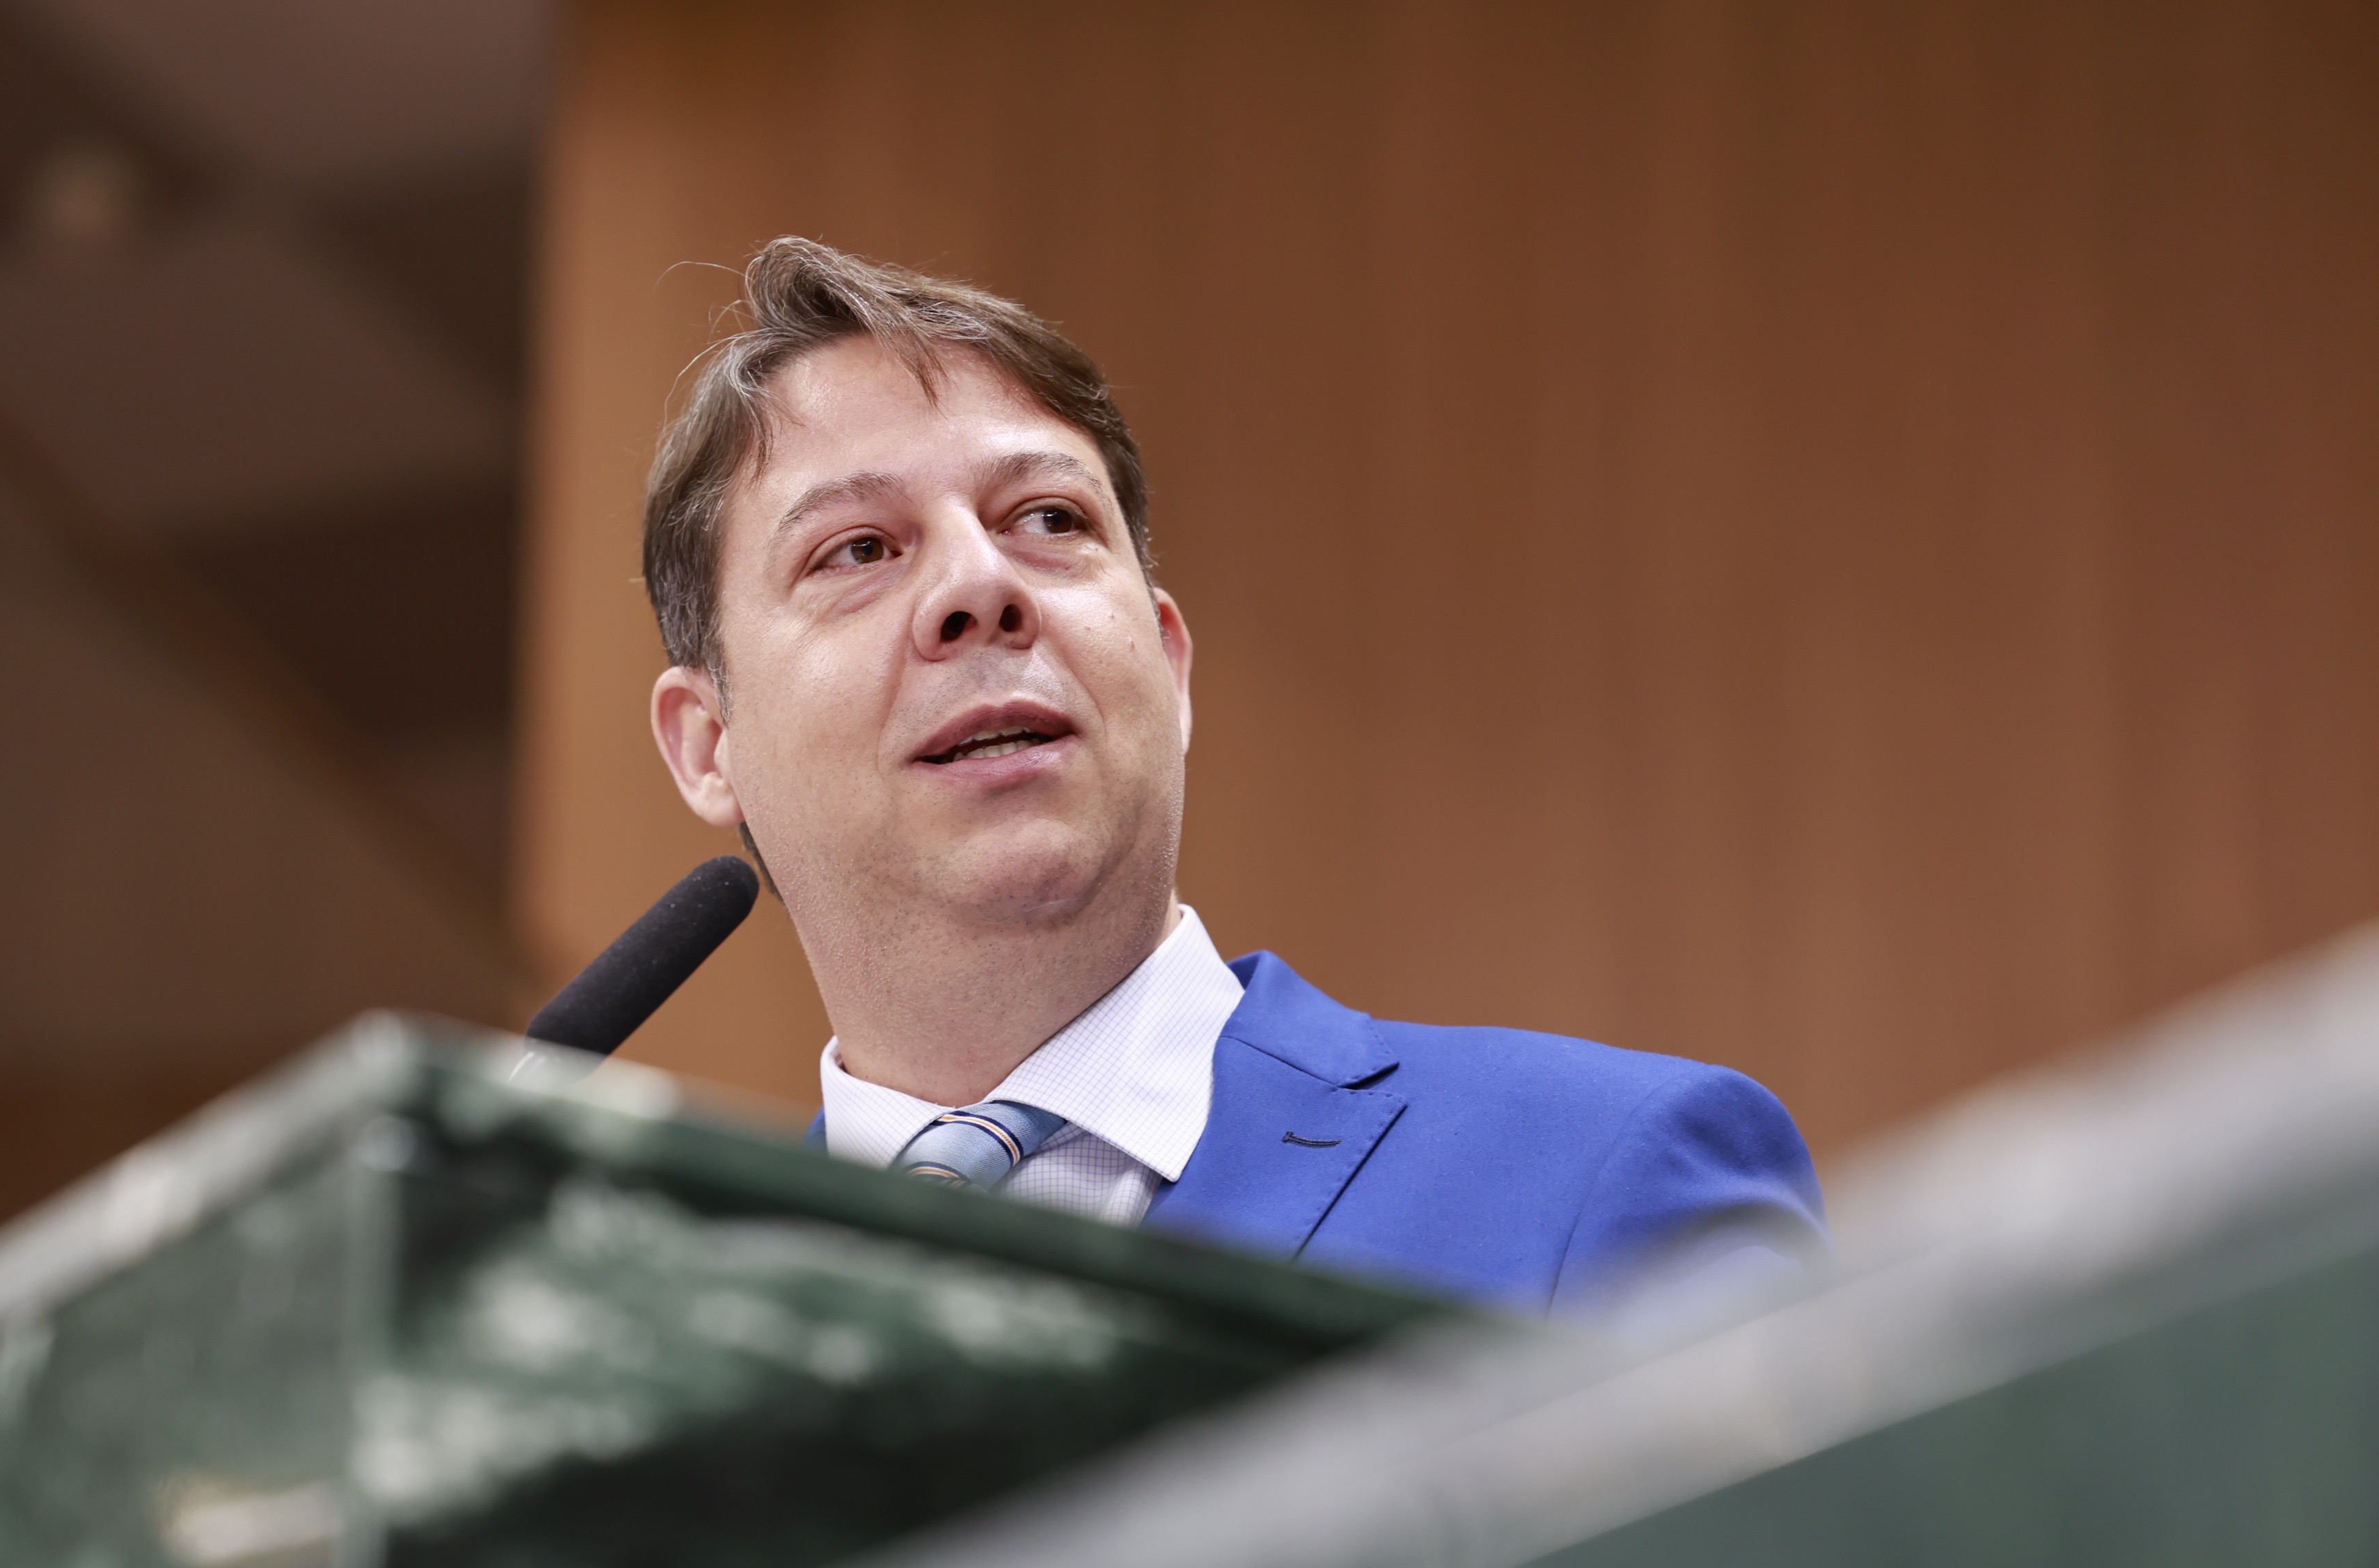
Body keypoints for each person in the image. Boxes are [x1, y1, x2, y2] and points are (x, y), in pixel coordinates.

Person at [642, 236, 1824, 1322]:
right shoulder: (655, 1332)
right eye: (857, 549)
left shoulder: (1606, 1180)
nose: (979, 585)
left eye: (1047, 519)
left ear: (1169, 668)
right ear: (708, 744)